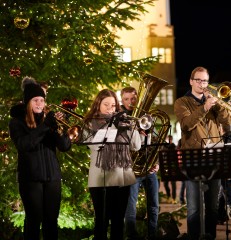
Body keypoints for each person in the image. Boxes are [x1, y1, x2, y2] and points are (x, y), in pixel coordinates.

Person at [9, 77, 71, 240]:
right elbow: (24, 144)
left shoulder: (49, 121)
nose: (39, 104)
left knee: (51, 222)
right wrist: (45, 126)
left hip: (53, 179)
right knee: (34, 221)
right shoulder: (17, 122)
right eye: (35, 100)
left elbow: (64, 146)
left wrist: (61, 128)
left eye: (42, 100)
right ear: (27, 102)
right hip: (31, 180)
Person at [174, 66, 231, 240]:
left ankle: (210, 237)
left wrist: (218, 105)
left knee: (213, 206)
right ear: (191, 81)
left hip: (213, 158)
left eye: (205, 80)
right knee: (194, 207)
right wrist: (204, 107)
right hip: (193, 160)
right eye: (198, 80)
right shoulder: (182, 102)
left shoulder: (213, 102)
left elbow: (227, 123)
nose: (202, 84)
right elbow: (186, 124)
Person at [83, 89, 141, 240]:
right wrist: (111, 126)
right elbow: (96, 146)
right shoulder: (90, 123)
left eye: (113, 105)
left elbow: (136, 146)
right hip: (101, 180)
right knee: (101, 222)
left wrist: (131, 128)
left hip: (123, 178)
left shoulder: (122, 120)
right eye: (106, 104)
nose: (110, 108)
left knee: (118, 222)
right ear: (98, 105)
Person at [122, 86, 160, 240]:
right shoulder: (122, 118)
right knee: (130, 206)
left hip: (149, 167)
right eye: (127, 99)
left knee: (154, 205)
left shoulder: (147, 117)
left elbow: (156, 142)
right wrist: (134, 131)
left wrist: (156, 162)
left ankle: (153, 235)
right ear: (122, 101)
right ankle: (132, 236)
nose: (130, 102)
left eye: (133, 99)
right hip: (132, 168)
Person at [162, 135, 177, 204]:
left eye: (170, 139)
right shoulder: (164, 147)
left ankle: (174, 198)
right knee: (165, 183)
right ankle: (168, 196)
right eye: (168, 139)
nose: (169, 140)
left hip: (172, 166)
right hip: (166, 167)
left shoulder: (174, 147)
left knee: (173, 183)